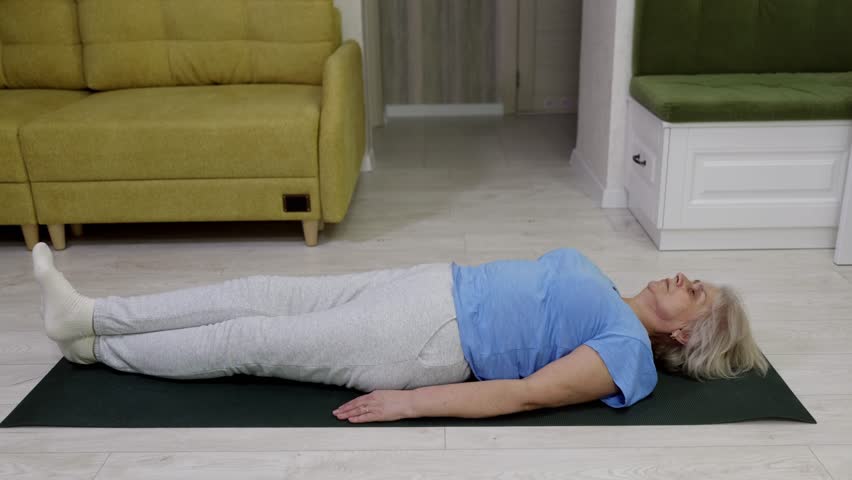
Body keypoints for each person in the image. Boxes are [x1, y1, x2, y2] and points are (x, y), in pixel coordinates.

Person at [31, 242, 768, 424]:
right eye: (692, 278)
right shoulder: (608, 293)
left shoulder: (627, 354)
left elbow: (526, 394)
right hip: (427, 284)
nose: (683, 278)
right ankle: (92, 314)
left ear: (687, 337)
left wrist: (409, 405)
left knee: (249, 339)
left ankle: (99, 348)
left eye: (696, 294)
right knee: (256, 293)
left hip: (432, 336)